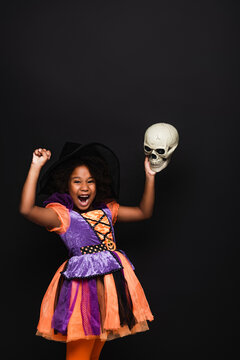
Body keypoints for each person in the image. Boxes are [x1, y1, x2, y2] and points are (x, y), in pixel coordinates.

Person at [19, 142, 164, 360]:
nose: (84, 187)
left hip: (108, 294)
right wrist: (35, 166)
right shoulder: (63, 216)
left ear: (98, 184)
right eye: (77, 182)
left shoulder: (108, 211)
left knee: (93, 355)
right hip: (81, 298)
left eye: (90, 181)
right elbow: (27, 209)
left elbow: (144, 211)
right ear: (66, 186)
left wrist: (150, 176)